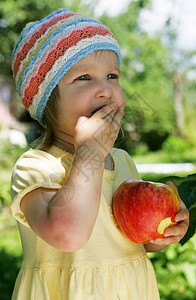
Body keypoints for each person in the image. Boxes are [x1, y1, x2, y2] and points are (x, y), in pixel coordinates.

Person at [11, 8, 189, 300]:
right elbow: (68, 235)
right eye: (83, 78)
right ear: (47, 102)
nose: (105, 89)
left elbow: (131, 239)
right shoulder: (36, 167)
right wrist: (89, 154)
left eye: (111, 75)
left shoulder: (122, 162)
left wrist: (160, 235)